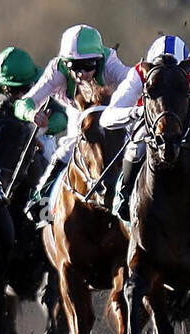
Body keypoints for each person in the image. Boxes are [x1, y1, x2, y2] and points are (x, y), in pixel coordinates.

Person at [100, 34, 190, 221]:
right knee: (137, 142)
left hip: (189, 120)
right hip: (154, 121)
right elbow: (106, 117)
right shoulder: (139, 73)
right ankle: (125, 194)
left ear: (186, 67)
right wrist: (137, 113)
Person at [14, 25, 131, 224]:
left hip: (110, 115)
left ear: (99, 60)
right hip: (78, 114)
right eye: (74, 67)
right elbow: (23, 103)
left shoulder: (110, 63)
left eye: (88, 66)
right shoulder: (56, 70)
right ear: (64, 63)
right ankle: (42, 199)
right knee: (69, 148)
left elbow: (134, 81)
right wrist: (32, 114)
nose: (81, 74)